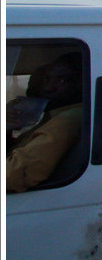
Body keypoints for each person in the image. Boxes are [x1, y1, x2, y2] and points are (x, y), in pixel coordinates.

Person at [6, 53, 83, 193]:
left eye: (62, 81)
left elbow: (13, 175)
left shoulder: (67, 121)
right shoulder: (53, 117)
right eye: (47, 79)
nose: (48, 87)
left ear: (81, 84)